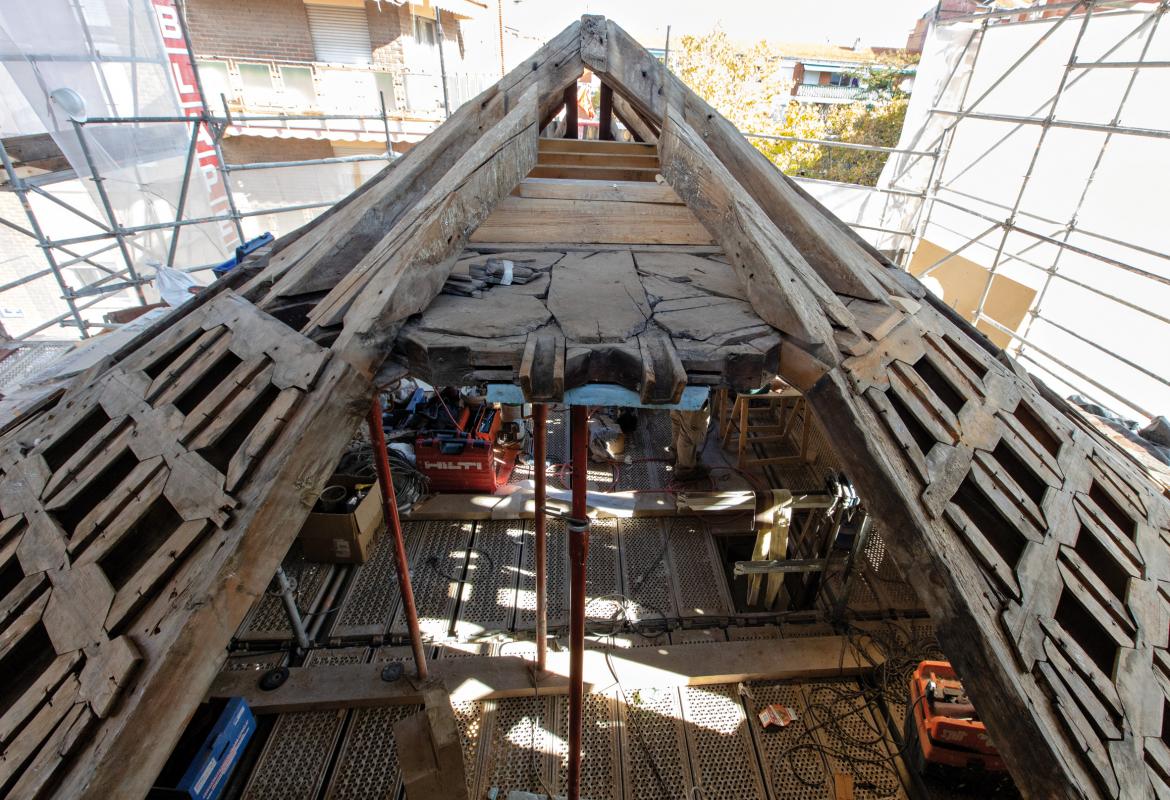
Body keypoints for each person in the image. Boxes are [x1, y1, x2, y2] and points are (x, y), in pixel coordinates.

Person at [669, 403, 711, 482]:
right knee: (691, 429)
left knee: (678, 415)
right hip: (692, 395)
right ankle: (685, 469)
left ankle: (676, 453)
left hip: (676, 393)